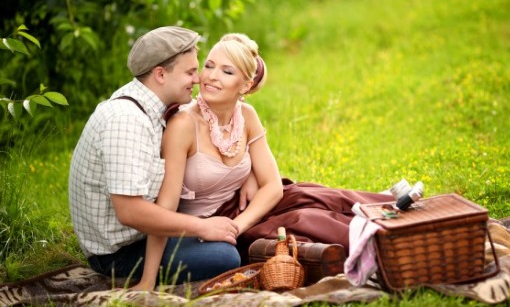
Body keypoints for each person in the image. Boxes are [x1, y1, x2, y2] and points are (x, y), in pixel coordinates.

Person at [134, 32, 394, 290]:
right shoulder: (183, 124)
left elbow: (272, 186)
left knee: (314, 196)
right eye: (209, 66)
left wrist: (240, 221)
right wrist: (147, 279)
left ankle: (394, 216)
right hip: (209, 225)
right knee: (302, 221)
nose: (211, 76)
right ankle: (380, 245)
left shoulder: (246, 115)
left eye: (227, 71)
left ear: (245, 86)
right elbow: (165, 208)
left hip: (243, 215)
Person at [68, 26, 241, 286]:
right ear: (160, 74)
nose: (197, 79)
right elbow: (130, 213)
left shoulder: (150, 107)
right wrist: (202, 228)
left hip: (144, 234)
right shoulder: (126, 120)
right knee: (225, 256)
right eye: (190, 72)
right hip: (118, 254)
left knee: (232, 231)